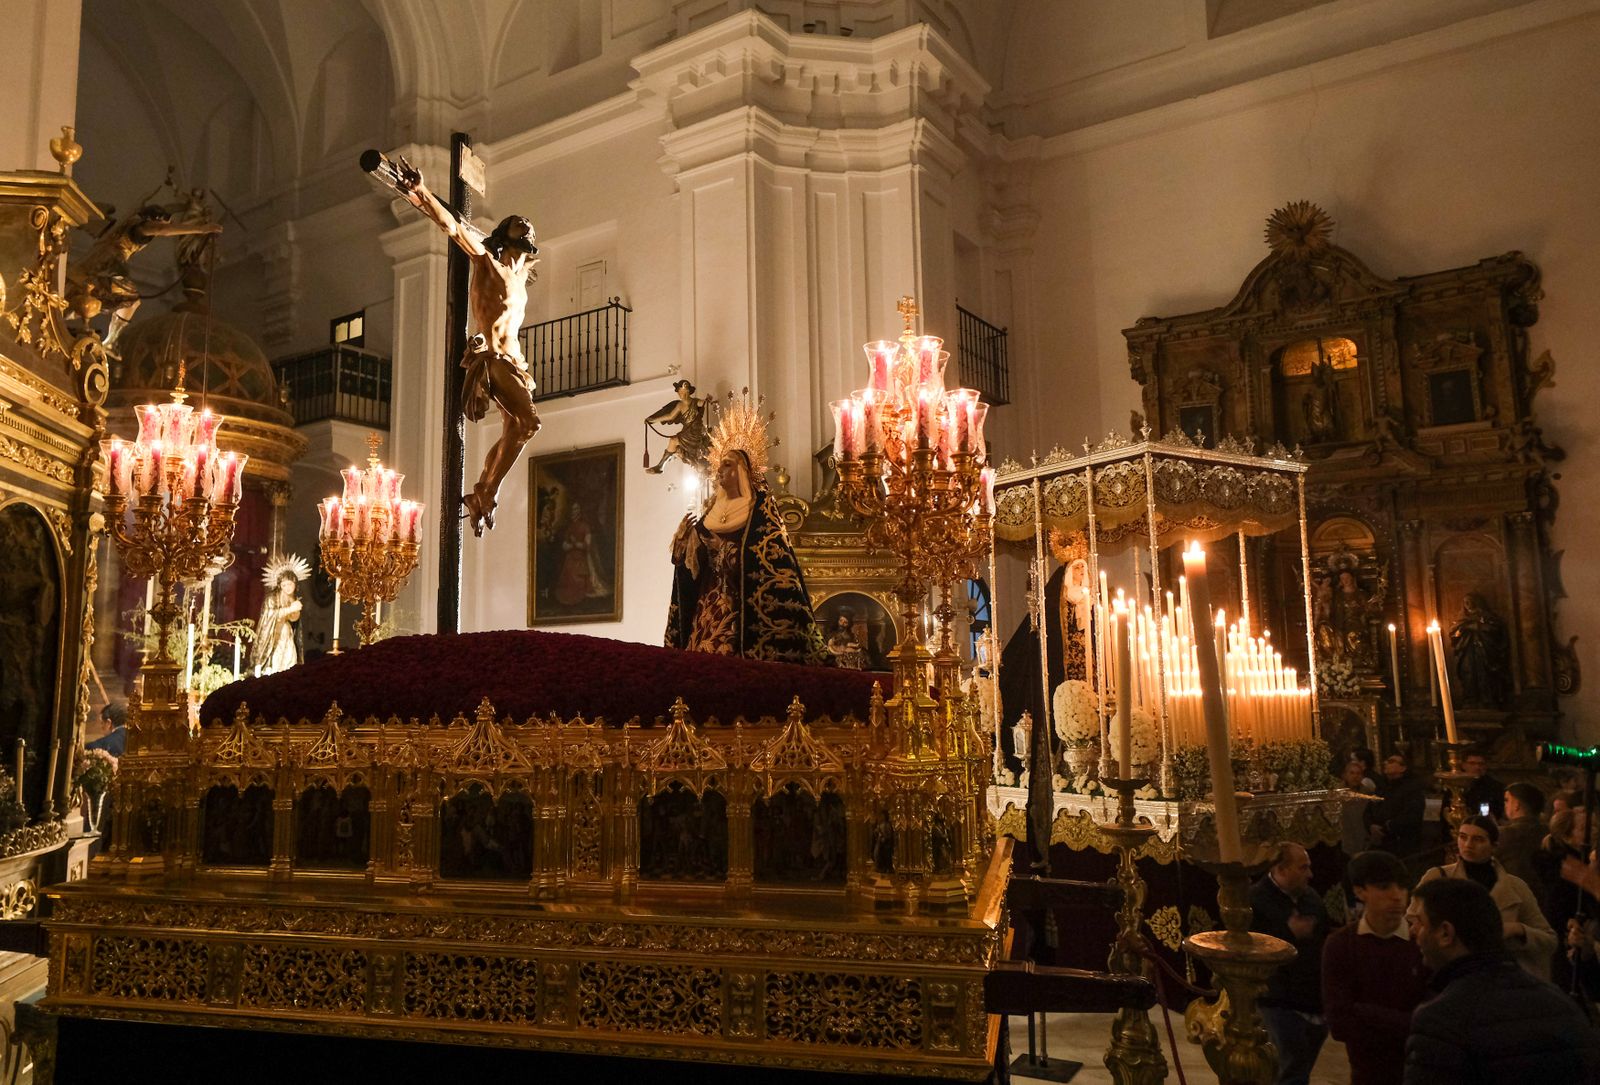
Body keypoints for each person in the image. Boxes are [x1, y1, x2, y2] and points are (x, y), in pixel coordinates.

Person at [391, 156, 540, 536]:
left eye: (528, 227)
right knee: (527, 422)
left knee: (517, 428)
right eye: (518, 224)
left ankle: (482, 492)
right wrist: (420, 191)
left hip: (515, 362)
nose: (526, 225)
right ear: (505, 236)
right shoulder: (486, 260)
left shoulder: (521, 277)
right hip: (490, 358)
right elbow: (454, 226)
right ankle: (485, 493)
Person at [664, 410, 825, 665]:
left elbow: (772, 565)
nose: (719, 470)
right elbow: (691, 573)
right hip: (705, 614)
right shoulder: (709, 513)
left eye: (727, 464)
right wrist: (684, 548)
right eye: (719, 464)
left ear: (742, 471)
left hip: (743, 617)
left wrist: (726, 550)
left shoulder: (760, 510)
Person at [1403, 878, 1600, 1084]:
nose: (1413, 932)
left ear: (1445, 933)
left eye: (1420, 923)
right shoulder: (1561, 1004)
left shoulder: (1440, 1021)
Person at [1323, 850, 1428, 1085]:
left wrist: (1363, 1011)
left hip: (1418, 1070)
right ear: (1360, 891)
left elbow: (1431, 1021)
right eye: (1384, 887)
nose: (1397, 896)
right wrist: (1404, 1022)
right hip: (1367, 1072)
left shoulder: (1421, 941)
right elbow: (1339, 1023)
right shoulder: (1342, 944)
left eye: (1402, 887)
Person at [1408, 815, 1556, 980]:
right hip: (1451, 973)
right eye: (1463, 837)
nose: (1468, 845)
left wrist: (1517, 929)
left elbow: (1548, 939)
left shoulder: (1515, 887)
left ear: (1494, 845)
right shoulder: (1437, 877)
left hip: (1500, 977)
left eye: (1478, 839)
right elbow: (1413, 920)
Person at [1250, 842, 1329, 1085]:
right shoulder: (1254, 899)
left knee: (1300, 1070)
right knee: (1290, 1073)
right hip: (1277, 1002)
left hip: (1312, 1001)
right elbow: (1248, 946)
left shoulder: (1311, 897)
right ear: (1281, 870)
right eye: (1303, 867)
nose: (1310, 874)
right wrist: (1287, 932)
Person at [250, 555, 310, 674]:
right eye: (284, 585)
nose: (287, 588)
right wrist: (290, 609)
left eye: (290, 584)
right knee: (276, 665)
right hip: (273, 637)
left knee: (290, 660)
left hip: (287, 635)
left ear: (295, 583)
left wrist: (296, 611)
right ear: (280, 586)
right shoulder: (272, 598)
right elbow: (270, 616)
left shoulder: (294, 598)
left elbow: (294, 621)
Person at [1369, 753, 1425, 861]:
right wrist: (1371, 825)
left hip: (1401, 844)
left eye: (1391, 761)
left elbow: (1412, 816)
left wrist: (1386, 827)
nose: (1385, 763)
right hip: (1381, 843)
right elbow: (1370, 808)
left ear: (1403, 768)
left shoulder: (1412, 789)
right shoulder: (1382, 786)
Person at [1498, 781, 1545, 893]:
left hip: (1513, 894)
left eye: (1507, 800)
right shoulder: (1548, 831)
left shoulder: (1506, 833)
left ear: (1517, 805)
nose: (1505, 805)